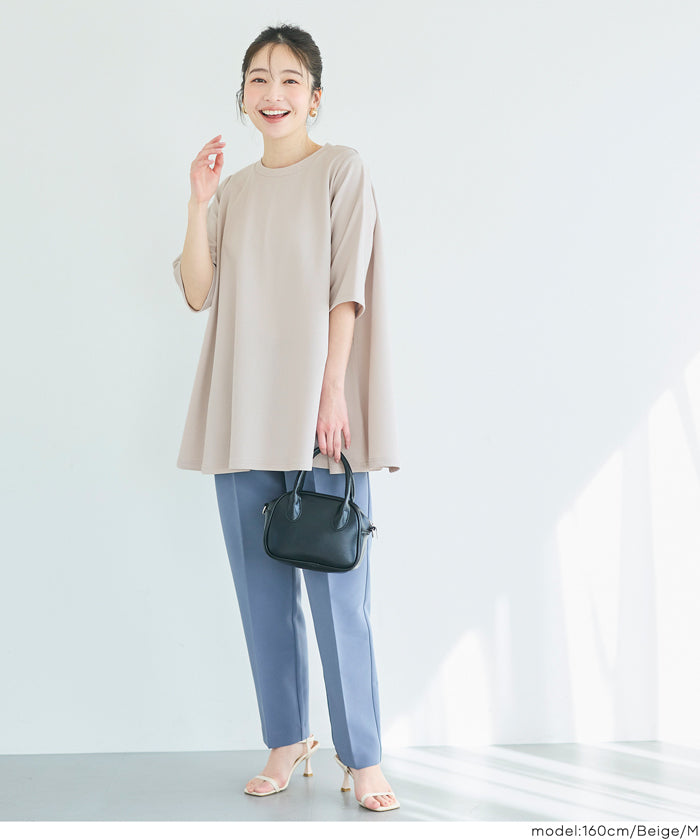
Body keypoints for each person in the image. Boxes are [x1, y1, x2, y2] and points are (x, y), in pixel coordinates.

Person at [171, 23, 401, 813]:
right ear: (243, 96)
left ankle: (362, 757)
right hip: (242, 411)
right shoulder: (233, 192)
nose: (274, 93)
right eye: (259, 80)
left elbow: (347, 287)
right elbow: (197, 291)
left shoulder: (342, 170)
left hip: (318, 415)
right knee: (260, 595)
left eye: (290, 79)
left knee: (341, 595)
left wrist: (333, 391)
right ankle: (286, 738)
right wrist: (198, 201)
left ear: (316, 96)